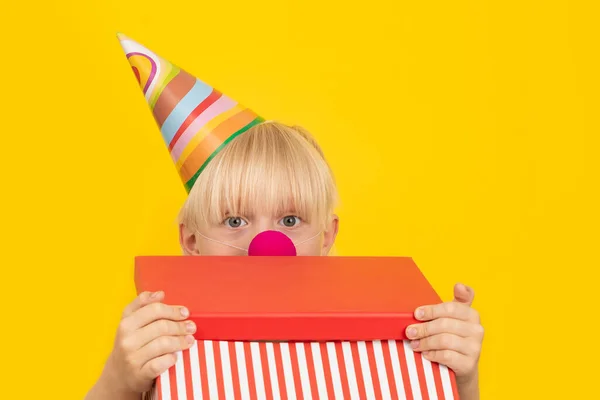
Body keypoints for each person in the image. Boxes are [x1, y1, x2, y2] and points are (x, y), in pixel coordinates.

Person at [85, 35, 484, 400]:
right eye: (235, 221)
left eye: (290, 221)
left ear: (327, 237)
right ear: (191, 240)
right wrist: (118, 381)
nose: (265, 245)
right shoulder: (165, 338)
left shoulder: (376, 344)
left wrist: (461, 380)